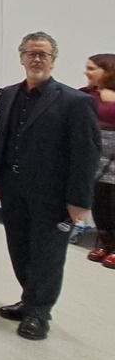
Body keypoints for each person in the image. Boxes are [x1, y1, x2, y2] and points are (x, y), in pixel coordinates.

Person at [0, 32, 102, 340]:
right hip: (12, 187)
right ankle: (29, 300)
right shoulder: (10, 94)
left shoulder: (76, 101)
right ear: (21, 58)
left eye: (43, 54)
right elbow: (2, 138)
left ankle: (40, 313)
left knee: (48, 254)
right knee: (20, 248)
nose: (37, 59)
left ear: (53, 60)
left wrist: (79, 200)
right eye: (31, 53)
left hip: (52, 194)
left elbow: (86, 153)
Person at [83, 54, 115, 267]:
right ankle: (106, 244)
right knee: (99, 202)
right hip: (93, 153)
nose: (86, 72)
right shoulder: (85, 94)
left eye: (92, 68)